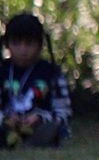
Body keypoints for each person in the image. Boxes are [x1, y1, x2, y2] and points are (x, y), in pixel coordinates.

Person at [1, 12, 71, 148]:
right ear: (7, 45)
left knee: (51, 128)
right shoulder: (2, 71)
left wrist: (40, 118)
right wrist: (6, 118)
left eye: (29, 44)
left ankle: (33, 143)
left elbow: (64, 113)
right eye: (16, 43)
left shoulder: (51, 73)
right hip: (6, 126)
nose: (23, 50)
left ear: (40, 45)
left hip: (40, 127)